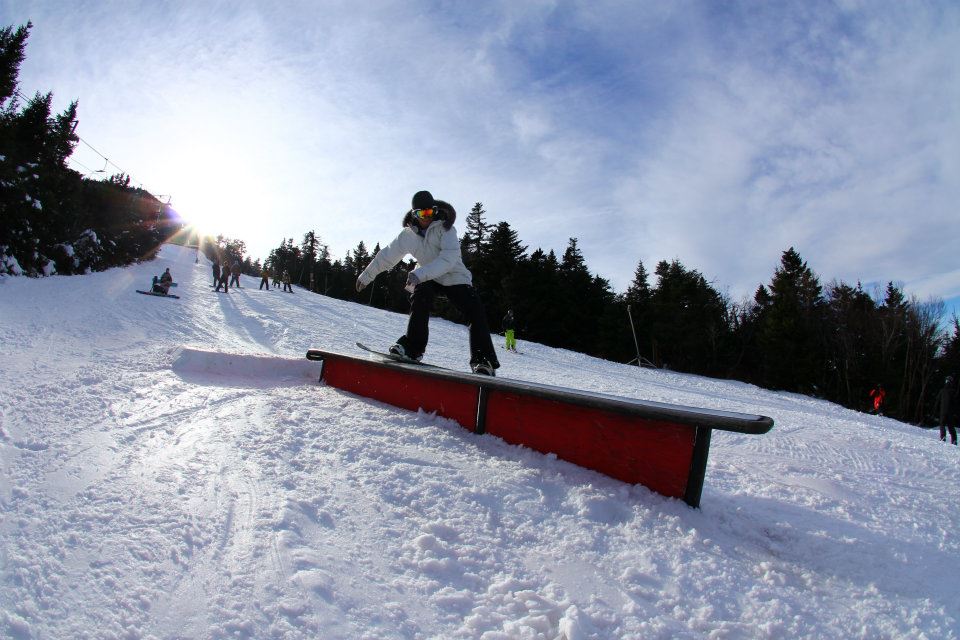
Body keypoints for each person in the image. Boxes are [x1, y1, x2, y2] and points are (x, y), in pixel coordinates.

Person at [355, 190, 500, 376]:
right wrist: (366, 276)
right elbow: (387, 256)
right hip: (427, 277)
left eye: (429, 213)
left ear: (435, 210)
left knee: (475, 308)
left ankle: (483, 359)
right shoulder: (407, 235)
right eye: (420, 214)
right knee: (420, 296)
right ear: (413, 214)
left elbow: (448, 259)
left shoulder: (446, 229)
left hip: (453, 275)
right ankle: (412, 348)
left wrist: (420, 273)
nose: (426, 218)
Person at [935, 375, 958, 445]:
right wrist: (956, 412)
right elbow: (955, 403)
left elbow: (937, 401)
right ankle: (954, 440)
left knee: (942, 424)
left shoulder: (942, 391)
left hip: (943, 411)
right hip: (950, 412)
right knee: (951, 426)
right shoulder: (953, 391)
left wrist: (935, 411)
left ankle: (943, 437)